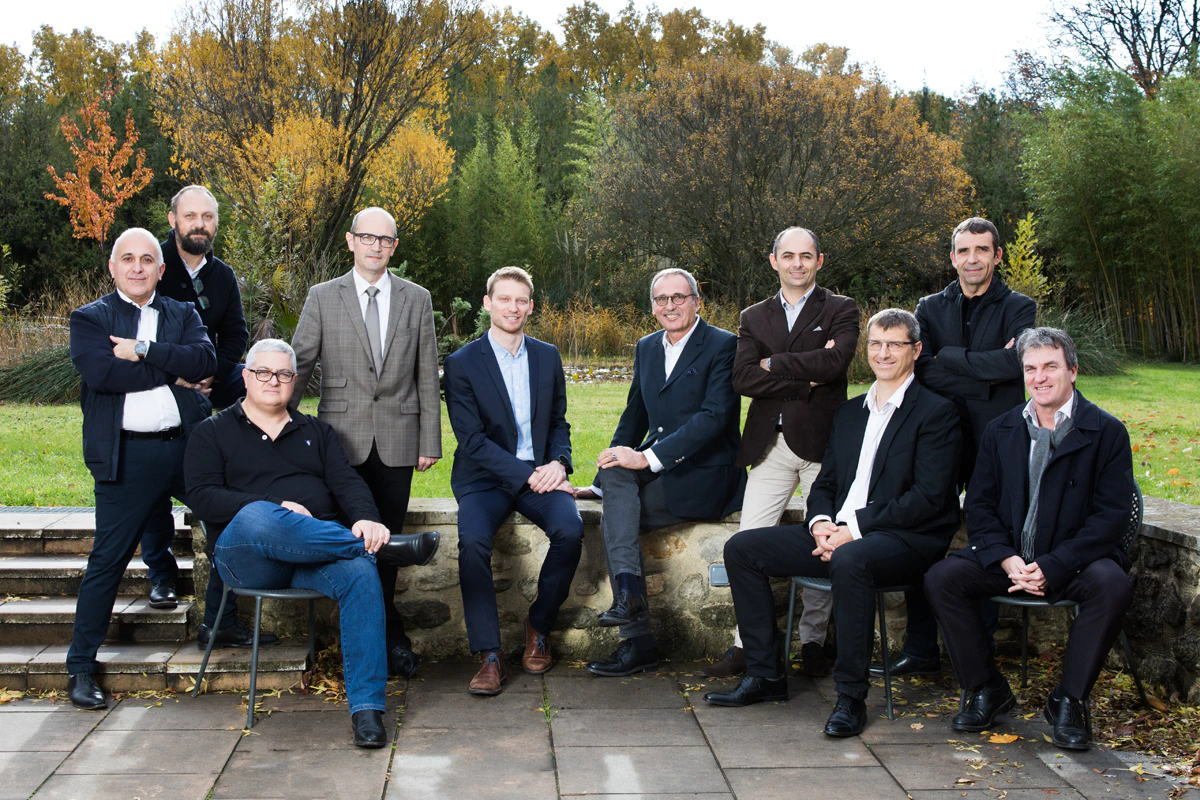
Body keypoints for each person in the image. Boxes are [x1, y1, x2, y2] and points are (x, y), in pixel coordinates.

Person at [705, 309, 961, 741]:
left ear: (916, 350)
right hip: (841, 534)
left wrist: (852, 530)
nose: (883, 353)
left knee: (850, 560)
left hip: (905, 540)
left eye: (895, 344)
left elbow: (928, 497)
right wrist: (821, 523)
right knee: (743, 549)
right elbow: (826, 483)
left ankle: (850, 697)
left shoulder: (937, 412)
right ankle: (766, 675)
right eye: (876, 344)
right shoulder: (849, 413)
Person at [185, 339, 439, 748]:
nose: (273, 381)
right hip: (247, 559)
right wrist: (276, 506)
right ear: (246, 377)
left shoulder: (316, 432)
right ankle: (380, 547)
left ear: (294, 380)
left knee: (360, 573)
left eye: (283, 374)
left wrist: (366, 519)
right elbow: (202, 497)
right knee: (258, 514)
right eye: (263, 372)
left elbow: (347, 483)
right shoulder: (212, 432)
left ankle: (367, 710)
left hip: (312, 555)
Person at [925, 327, 1134, 750]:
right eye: (1030, 369)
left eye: (1050, 367)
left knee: (1112, 584)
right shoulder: (1000, 429)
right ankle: (986, 687)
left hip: (1073, 564)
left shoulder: (1107, 432)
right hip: (1012, 562)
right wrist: (1005, 558)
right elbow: (979, 505)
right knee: (942, 578)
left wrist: (1054, 565)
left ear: (1073, 371)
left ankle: (1069, 700)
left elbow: (1111, 518)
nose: (1039, 378)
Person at [65, 228, 216, 710]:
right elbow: (103, 374)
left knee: (230, 525)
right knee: (107, 560)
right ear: (113, 267)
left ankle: (223, 624)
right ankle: (81, 667)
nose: (137, 267)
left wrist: (145, 351)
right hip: (127, 456)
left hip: (188, 450)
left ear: (161, 269)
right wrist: (174, 373)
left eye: (147, 259)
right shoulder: (90, 318)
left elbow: (205, 358)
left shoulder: (182, 312)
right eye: (127, 259)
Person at [879, 217, 1037, 678]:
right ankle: (920, 649)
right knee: (925, 536)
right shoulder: (928, 307)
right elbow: (921, 369)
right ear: (952, 258)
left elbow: (1015, 365)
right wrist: (985, 375)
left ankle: (978, 656)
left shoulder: (1019, 306)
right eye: (964, 250)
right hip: (938, 438)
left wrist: (950, 357)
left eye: (982, 250)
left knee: (991, 540)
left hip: (996, 439)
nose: (972, 259)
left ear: (997, 256)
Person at [292, 206, 442, 679]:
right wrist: (281, 428)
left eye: (385, 240)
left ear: (394, 247)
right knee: (352, 542)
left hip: (399, 439)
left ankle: (383, 638)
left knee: (388, 543)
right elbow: (299, 363)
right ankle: (375, 638)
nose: (376, 246)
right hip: (341, 441)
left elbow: (426, 372)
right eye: (368, 237)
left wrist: (430, 440)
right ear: (351, 241)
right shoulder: (322, 297)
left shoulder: (417, 298)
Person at [704, 226, 859, 679]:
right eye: (788, 256)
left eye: (805, 256)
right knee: (746, 542)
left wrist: (774, 363)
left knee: (823, 542)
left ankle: (813, 642)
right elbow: (742, 378)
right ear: (774, 261)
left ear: (819, 261)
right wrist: (806, 376)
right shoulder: (754, 316)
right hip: (768, 446)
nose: (797, 263)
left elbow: (836, 363)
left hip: (822, 444)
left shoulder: (841, 308)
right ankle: (747, 646)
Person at [586, 268, 746, 678]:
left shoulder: (724, 345)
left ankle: (637, 640)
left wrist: (648, 458)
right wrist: (602, 478)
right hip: (661, 469)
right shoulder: (646, 347)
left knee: (617, 519)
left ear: (697, 302)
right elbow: (634, 415)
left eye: (679, 297)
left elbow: (714, 417)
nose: (670, 305)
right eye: (662, 299)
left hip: (706, 474)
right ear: (653, 306)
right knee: (616, 480)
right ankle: (630, 597)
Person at [442, 267, 583, 695]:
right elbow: (472, 441)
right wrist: (531, 475)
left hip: (539, 473)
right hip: (484, 478)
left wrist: (559, 462)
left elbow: (558, 421)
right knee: (473, 543)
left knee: (571, 530)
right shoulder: (461, 363)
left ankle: (538, 626)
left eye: (521, 300)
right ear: (488, 303)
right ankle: (489, 655)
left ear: (531, 307)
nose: (513, 307)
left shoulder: (547, 356)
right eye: (504, 298)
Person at [138, 185, 259, 653]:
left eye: (207, 217)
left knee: (256, 381)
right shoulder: (151, 266)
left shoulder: (222, 276)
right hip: (159, 382)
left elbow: (237, 334)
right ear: (173, 219)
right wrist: (179, 375)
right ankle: (161, 576)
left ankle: (260, 457)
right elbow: (136, 335)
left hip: (211, 378)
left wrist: (210, 373)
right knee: (154, 477)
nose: (199, 225)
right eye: (191, 216)